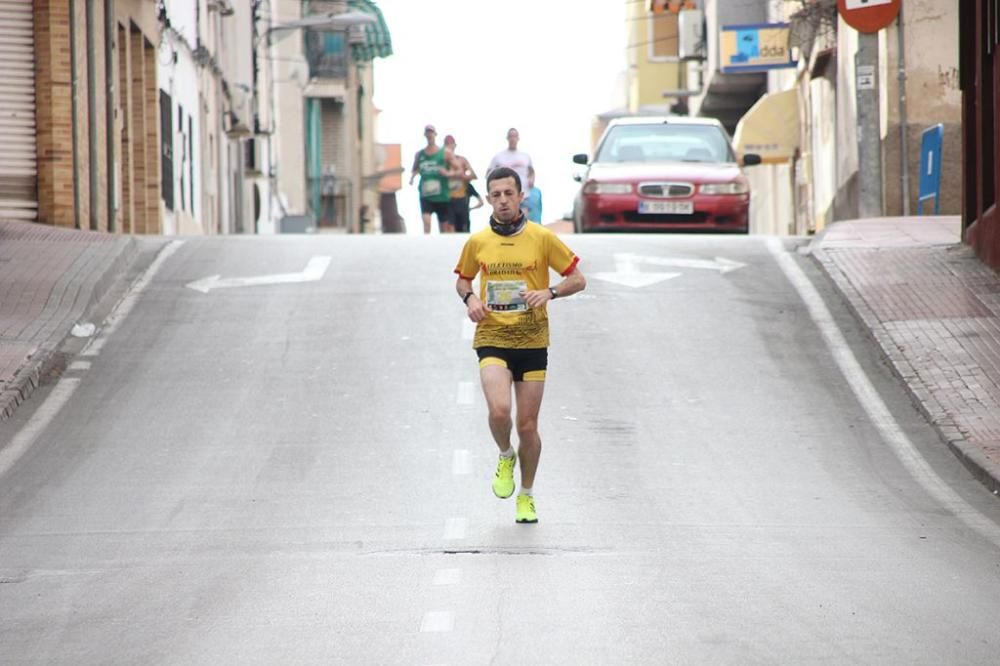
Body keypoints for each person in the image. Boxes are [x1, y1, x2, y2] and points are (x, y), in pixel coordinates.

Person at [453, 166, 586, 524]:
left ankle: (526, 495)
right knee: (499, 412)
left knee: (528, 425)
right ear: (487, 199)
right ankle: (504, 454)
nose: (502, 201)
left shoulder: (542, 238)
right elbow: (463, 280)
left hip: (532, 337)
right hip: (493, 335)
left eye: (508, 194)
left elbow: (577, 278)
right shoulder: (478, 242)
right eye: (495, 195)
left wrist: (550, 292)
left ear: (521, 195)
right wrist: (470, 301)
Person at [409, 124, 458, 233]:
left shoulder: (445, 152)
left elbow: (458, 169)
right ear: (425, 135)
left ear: (435, 134)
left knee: (443, 227)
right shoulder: (419, 154)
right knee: (426, 222)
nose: (429, 134)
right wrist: (412, 177)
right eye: (427, 132)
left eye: (431, 132)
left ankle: (441, 247)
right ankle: (426, 246)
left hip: (442, 195)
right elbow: (415, 169)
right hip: (425, 194)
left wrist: (448, 173)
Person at [485, 128, 533, 209]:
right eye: (511, 136)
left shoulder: (525, 156)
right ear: (507, 138)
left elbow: (531, 171)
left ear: (518, 138)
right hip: (504, 196)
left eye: (515, 136)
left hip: (524, 194)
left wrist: (531, 180)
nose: (513, 139)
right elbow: (488, 174)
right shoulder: (498, 157)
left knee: (523, 220)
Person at [443, 134, 478, 233]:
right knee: (449, 228)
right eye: (447, 145)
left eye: (451, 144)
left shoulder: (462, 160)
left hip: (462, 198)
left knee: (464, 228)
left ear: (455, 145)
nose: (449, 147)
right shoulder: (442, 161)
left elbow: (474, 175)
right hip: (447, 198)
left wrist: (462, 176)